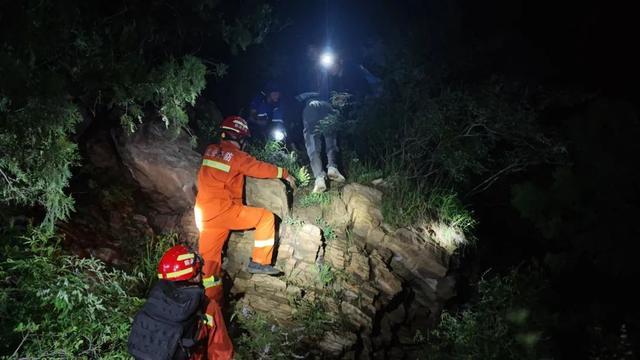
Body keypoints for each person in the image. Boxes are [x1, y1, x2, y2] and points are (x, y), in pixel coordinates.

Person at [193, 115, 296, 358]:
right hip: (225, 212)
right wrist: (284, 172)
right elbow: (258, 168)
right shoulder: (237, 156)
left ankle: (212, 312)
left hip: (204, 215)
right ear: (240, 138)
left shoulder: (210, 150)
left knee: (209, 268)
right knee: (266, 218)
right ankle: (259, 262)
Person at [128, 245, 228, 360]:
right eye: (200, 270)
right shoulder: (209, 307)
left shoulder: (154, 299)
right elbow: (221, 352)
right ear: (194, 276)